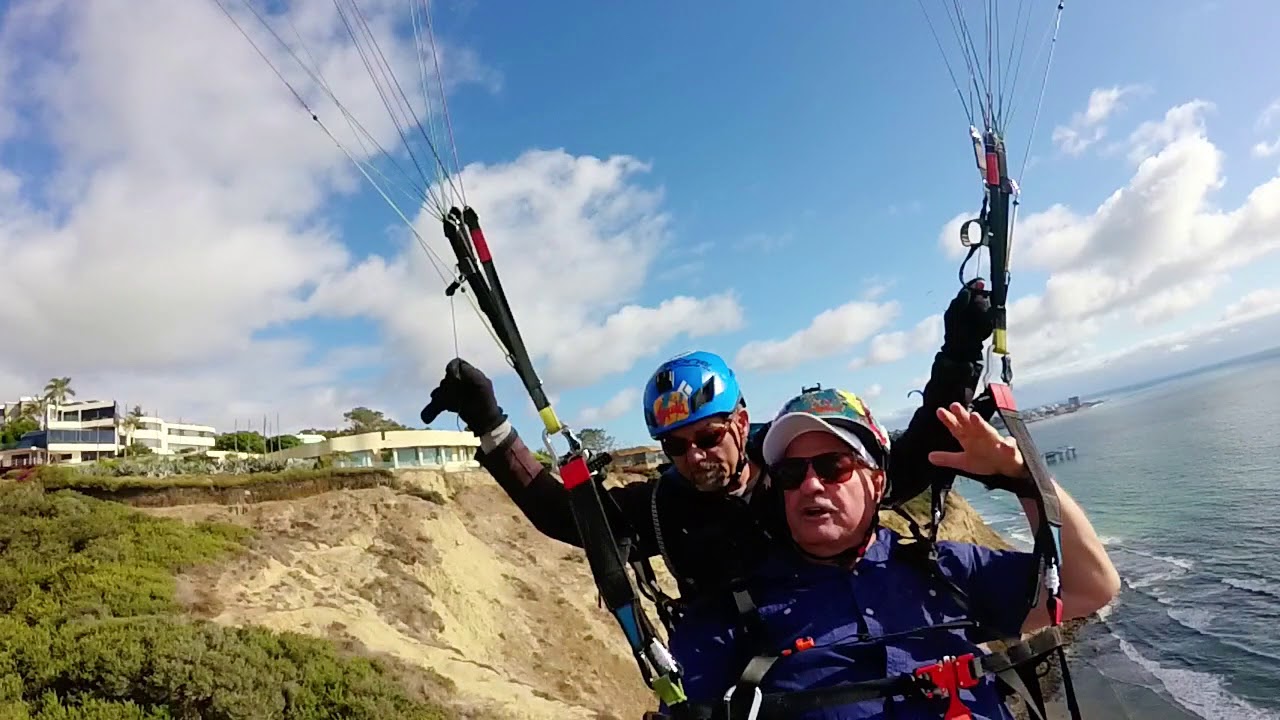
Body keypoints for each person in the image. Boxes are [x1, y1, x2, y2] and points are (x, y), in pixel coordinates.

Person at [420, 282, 997, 610]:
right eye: (675, 447)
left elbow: (912, 464)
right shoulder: (663, 508)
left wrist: (959, 355)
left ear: (741, 422)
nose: (693, 457)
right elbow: (566, 517)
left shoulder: (800, 461)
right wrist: (490, 424)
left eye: (708, 437)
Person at [665, 387, 1121, 720]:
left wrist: (1022, 479)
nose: (810, 484)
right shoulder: (739, 613)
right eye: (790, 472)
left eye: (833, 466)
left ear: (876, 481)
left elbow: (1091, 586)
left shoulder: (945, 569)